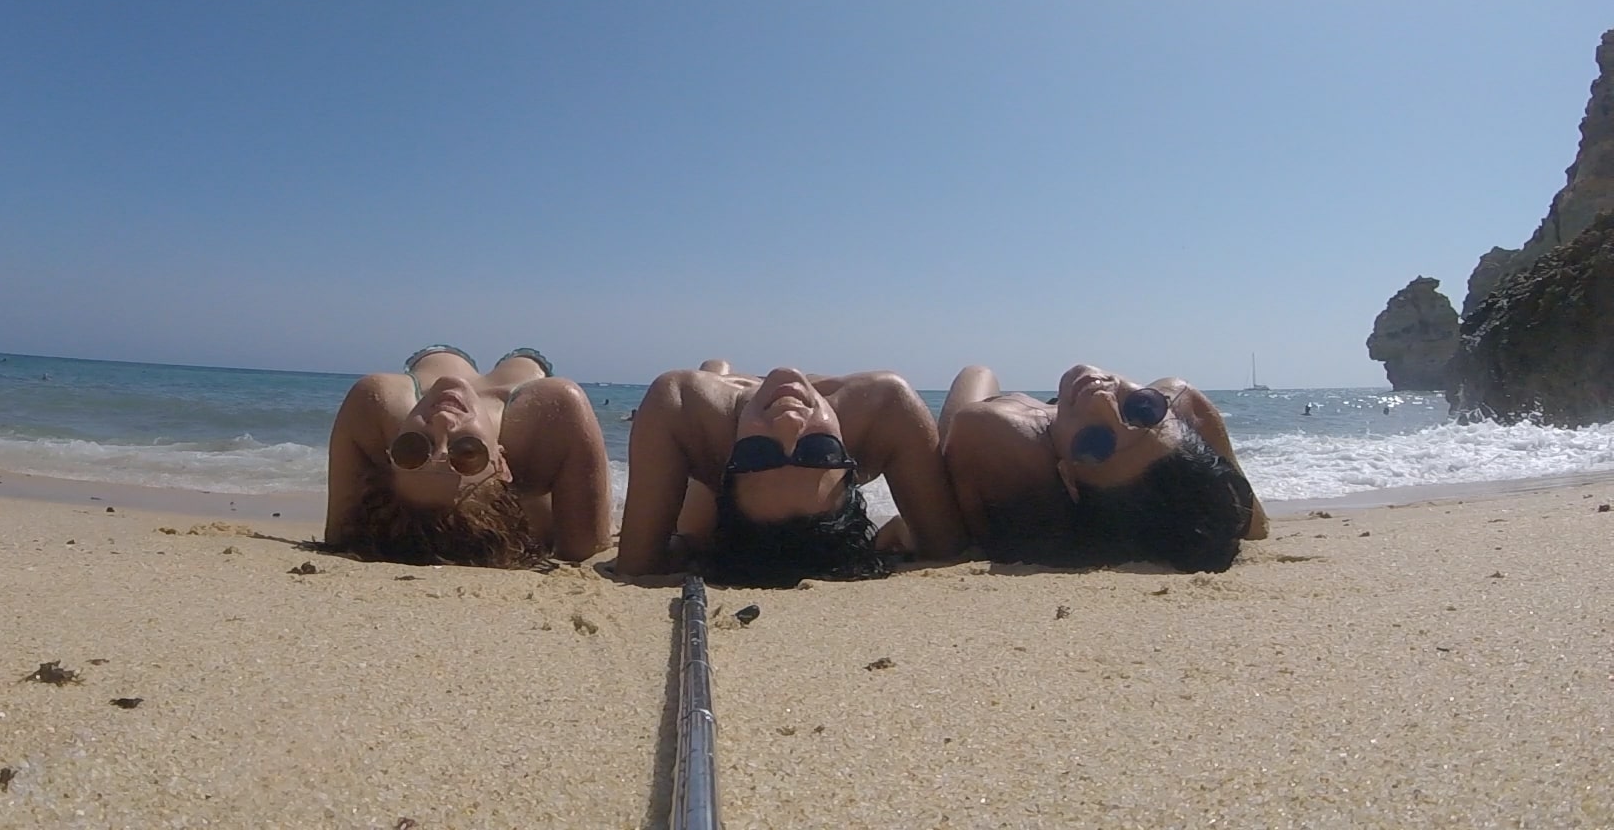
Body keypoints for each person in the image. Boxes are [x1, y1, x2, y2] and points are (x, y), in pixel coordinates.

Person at [615, 362, 967, 585]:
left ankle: (718, 370)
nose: (789, 422)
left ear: (728, 465)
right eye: (820, 451)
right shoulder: (884, 404)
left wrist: (689, 546)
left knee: (696, 527)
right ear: (851, 464)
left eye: (758, 453)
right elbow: (945, 546)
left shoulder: (682, 402)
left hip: (717, 461)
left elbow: (638, 564)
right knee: (974, 375)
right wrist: (902, 530)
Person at [937, 363, 1267, 573]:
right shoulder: (1182, 400)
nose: (1103, 401)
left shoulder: (997, 434)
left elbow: (961, 535)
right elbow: (1253, 523)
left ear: (1067, 478)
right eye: (1142, 409)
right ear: (1173, 414)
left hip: (1019, 439)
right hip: (1066, 426)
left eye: (1095, 442)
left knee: (977, 373)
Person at [323, 345, 611, 567]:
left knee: (440, 358)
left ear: (388, 459)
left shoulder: (376, 400)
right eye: (467, 451)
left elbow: (339, 534)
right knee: (525, 361)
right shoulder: (551, 408)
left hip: (434, 362)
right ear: (501, 463)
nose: (443, 421)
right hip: (523, 395)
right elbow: (586, 545)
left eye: (412, 448)